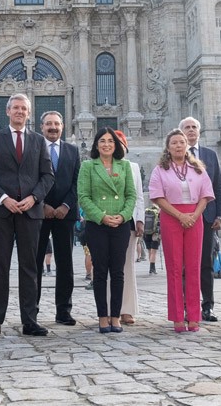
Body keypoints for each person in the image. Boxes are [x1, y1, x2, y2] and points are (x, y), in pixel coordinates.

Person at [0, 93, 55, 339]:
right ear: (8, 111)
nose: (20, 111)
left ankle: (30, 321)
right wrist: (4, 199)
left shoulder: (39, 141)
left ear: (29, 113)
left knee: (30, 268)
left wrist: (34, 198)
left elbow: (47, 176)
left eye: (24, 108)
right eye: (16, 108)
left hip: (30, 212)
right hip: (1, 212)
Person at [149, 129, 214, 332]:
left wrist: (194, 215)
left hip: (195, 217)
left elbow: (206, 194)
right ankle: (177, 316)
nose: (178, 145)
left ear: (187, 145)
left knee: (194, 267)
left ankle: (194, 316)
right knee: (175, 268)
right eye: (174, 142)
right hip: (171, 217)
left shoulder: (198, 168)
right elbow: (157, 196)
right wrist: (180, 216)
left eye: (182, 142)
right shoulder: (160, 169)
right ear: (168, 147)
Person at [78, 128, 135, 334]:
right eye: (102, 141)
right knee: (100, 272)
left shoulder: (125, 166)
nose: (106, 144)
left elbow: (131, 195)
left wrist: (123, 215)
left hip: (120, 225)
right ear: (96, 145)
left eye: (110, 141)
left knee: (118, 273)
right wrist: (101, 216)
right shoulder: (88, 166)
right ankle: (103, 316)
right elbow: (83, 196)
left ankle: (116, 316)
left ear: (116, 145)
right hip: (97, 225)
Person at [35, 111, 80, 327]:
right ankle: (31, 310)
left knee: (65, 263)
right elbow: (28, 179)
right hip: (38, 213)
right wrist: (41, 204)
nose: (53, 127)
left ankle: (64, 310)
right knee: (34, 263)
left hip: (65, 214)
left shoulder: (73, 151)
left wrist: (65, 205)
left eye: (56, 123)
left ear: (63, 126)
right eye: (48, 124)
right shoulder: (33, 149)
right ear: (41, 127)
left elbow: (76, 182)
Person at [179, 116, 221, 322]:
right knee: (183, 264)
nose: (191, 131)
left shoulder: (209, 155)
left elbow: (218, 186)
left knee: (205, 262)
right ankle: (187, 306)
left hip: (206, 216)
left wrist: (220, 214)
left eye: (194, 127)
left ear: (199, 131)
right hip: (182, 216)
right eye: (187, 128)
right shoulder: (175, 155)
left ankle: (208, 306)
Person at [114, 130, 145, 326]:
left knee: (128, 267)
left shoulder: (133, 167)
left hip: (129, 222)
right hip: (107, 221)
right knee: (108, 268)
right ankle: (110, 309)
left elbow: (140, 196)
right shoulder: (99, 166)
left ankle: (128, 309)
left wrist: (140, 219)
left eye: (120, 144)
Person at [144, 204, 161, 274]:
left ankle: (151, 267)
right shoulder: (158, 214)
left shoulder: (146, 212)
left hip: (146, 233)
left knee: (149, 251)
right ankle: (152, 268)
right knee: (154, 251)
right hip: (155, 234)